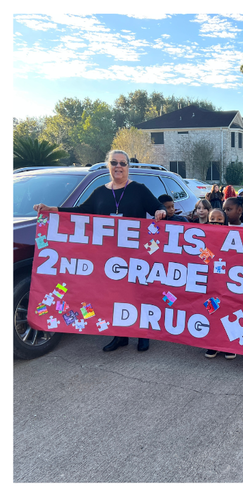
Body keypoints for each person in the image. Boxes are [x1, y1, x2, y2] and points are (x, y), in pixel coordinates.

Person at [34, 149, 165, 353]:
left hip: (134, 254)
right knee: (114, 295)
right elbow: (81, 212)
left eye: (123, 163)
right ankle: (119, 335)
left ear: (128, 167)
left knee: (136, 294)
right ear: (108, 166)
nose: (118, 166)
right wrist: (55, 210)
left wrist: (160, 211)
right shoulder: (100, 192)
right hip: (108, 256)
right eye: (114, 162)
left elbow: (157, 207)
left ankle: (142, 334)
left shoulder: (139, 189)